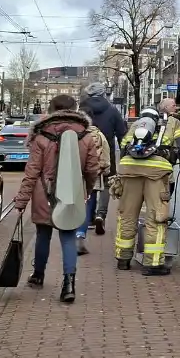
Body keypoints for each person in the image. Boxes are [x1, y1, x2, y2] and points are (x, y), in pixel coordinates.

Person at [13, 95, 103, 303]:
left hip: (43, 192)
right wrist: (86, 189)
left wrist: (22, 201)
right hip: (72, 191)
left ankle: (38, 275)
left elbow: (32, 172)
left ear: (51, 109)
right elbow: (92, 169)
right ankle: (69, 284)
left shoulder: (40, 136)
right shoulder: (86, 136)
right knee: (68, 236)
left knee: (43, 234)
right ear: (75, 109)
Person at [113, 110, 177, 276]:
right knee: (156, 217)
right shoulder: (166, 128)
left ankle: (123, 259)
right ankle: (153, 263)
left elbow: (123, 147)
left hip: (129, 170)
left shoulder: (133, 129)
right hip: (156, 174)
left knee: (127, 215)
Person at [80, 82, 128, 236]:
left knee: (90, 183)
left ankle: (89, 217)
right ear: (103, 94)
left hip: (86, 152)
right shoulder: (112, 110)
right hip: (107, 153)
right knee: (107, 184)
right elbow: (122, 134)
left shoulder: (82, 109)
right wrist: (125, 154)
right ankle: (101, 214)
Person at [75, 99, 113, 255]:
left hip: (74, 173)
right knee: (88, 202)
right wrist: (105, 170)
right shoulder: (98, 134)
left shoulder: (73, 134)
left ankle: (71, 230)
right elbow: (106, 154)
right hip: (94, 174)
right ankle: (81, 234)